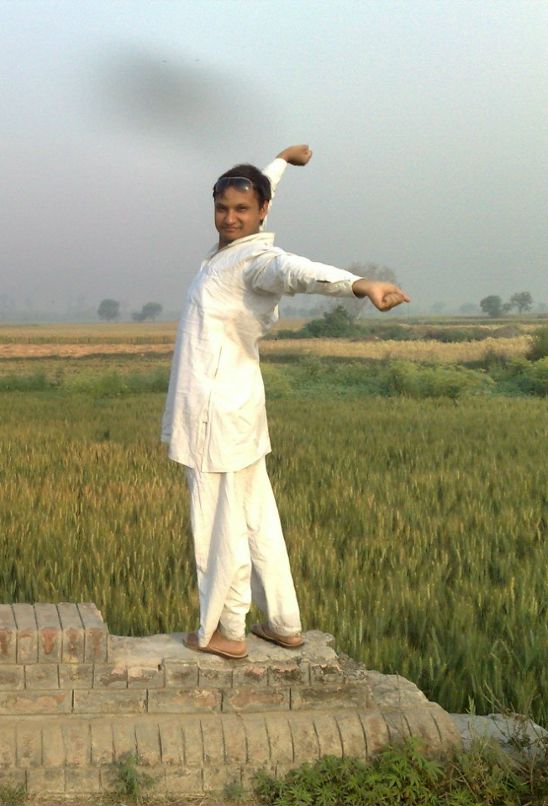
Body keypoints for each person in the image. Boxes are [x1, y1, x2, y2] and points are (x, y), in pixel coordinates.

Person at [162, 145, 409, 660]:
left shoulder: (255, 260)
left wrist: (359, 285)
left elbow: (294, 270)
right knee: (255, 519)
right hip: (238, 409)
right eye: (222, 208)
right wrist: (280, 162)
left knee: (219, 524)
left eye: (242, 210)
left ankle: (226, 631)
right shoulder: (228, 251)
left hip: (213, 415)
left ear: (262, 214)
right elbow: (263, 186)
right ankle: (283, 623)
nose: (230, 218)